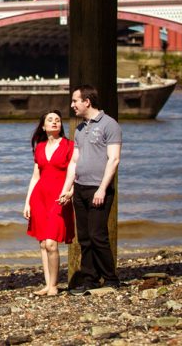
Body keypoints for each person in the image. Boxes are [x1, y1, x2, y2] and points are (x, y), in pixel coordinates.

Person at [68, 84, 122, 294]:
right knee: (84, 237)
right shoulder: (80, 128)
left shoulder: (110, 125)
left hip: (98, 189)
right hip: (80, 188)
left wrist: (102, 189)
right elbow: (74, 160)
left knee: (98, 235)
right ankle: (89, 279)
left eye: (75, 101)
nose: (72, 105)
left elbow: (114, 159)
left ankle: (111, 278)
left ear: (86, 102)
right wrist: (69, 187)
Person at [23, 110, 78, 296]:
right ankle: (47, 284)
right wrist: (27, 203)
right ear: (43, 126)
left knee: (51, 244)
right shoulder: (39, 147)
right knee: (42, 244)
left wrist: (70, 192)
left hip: (59, 198)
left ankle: (54, 285)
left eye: (58, 120)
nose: (55, 122)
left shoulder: (70, 146)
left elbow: (77, 173)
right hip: (39, 198)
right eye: (50, 120)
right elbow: (35, 176)